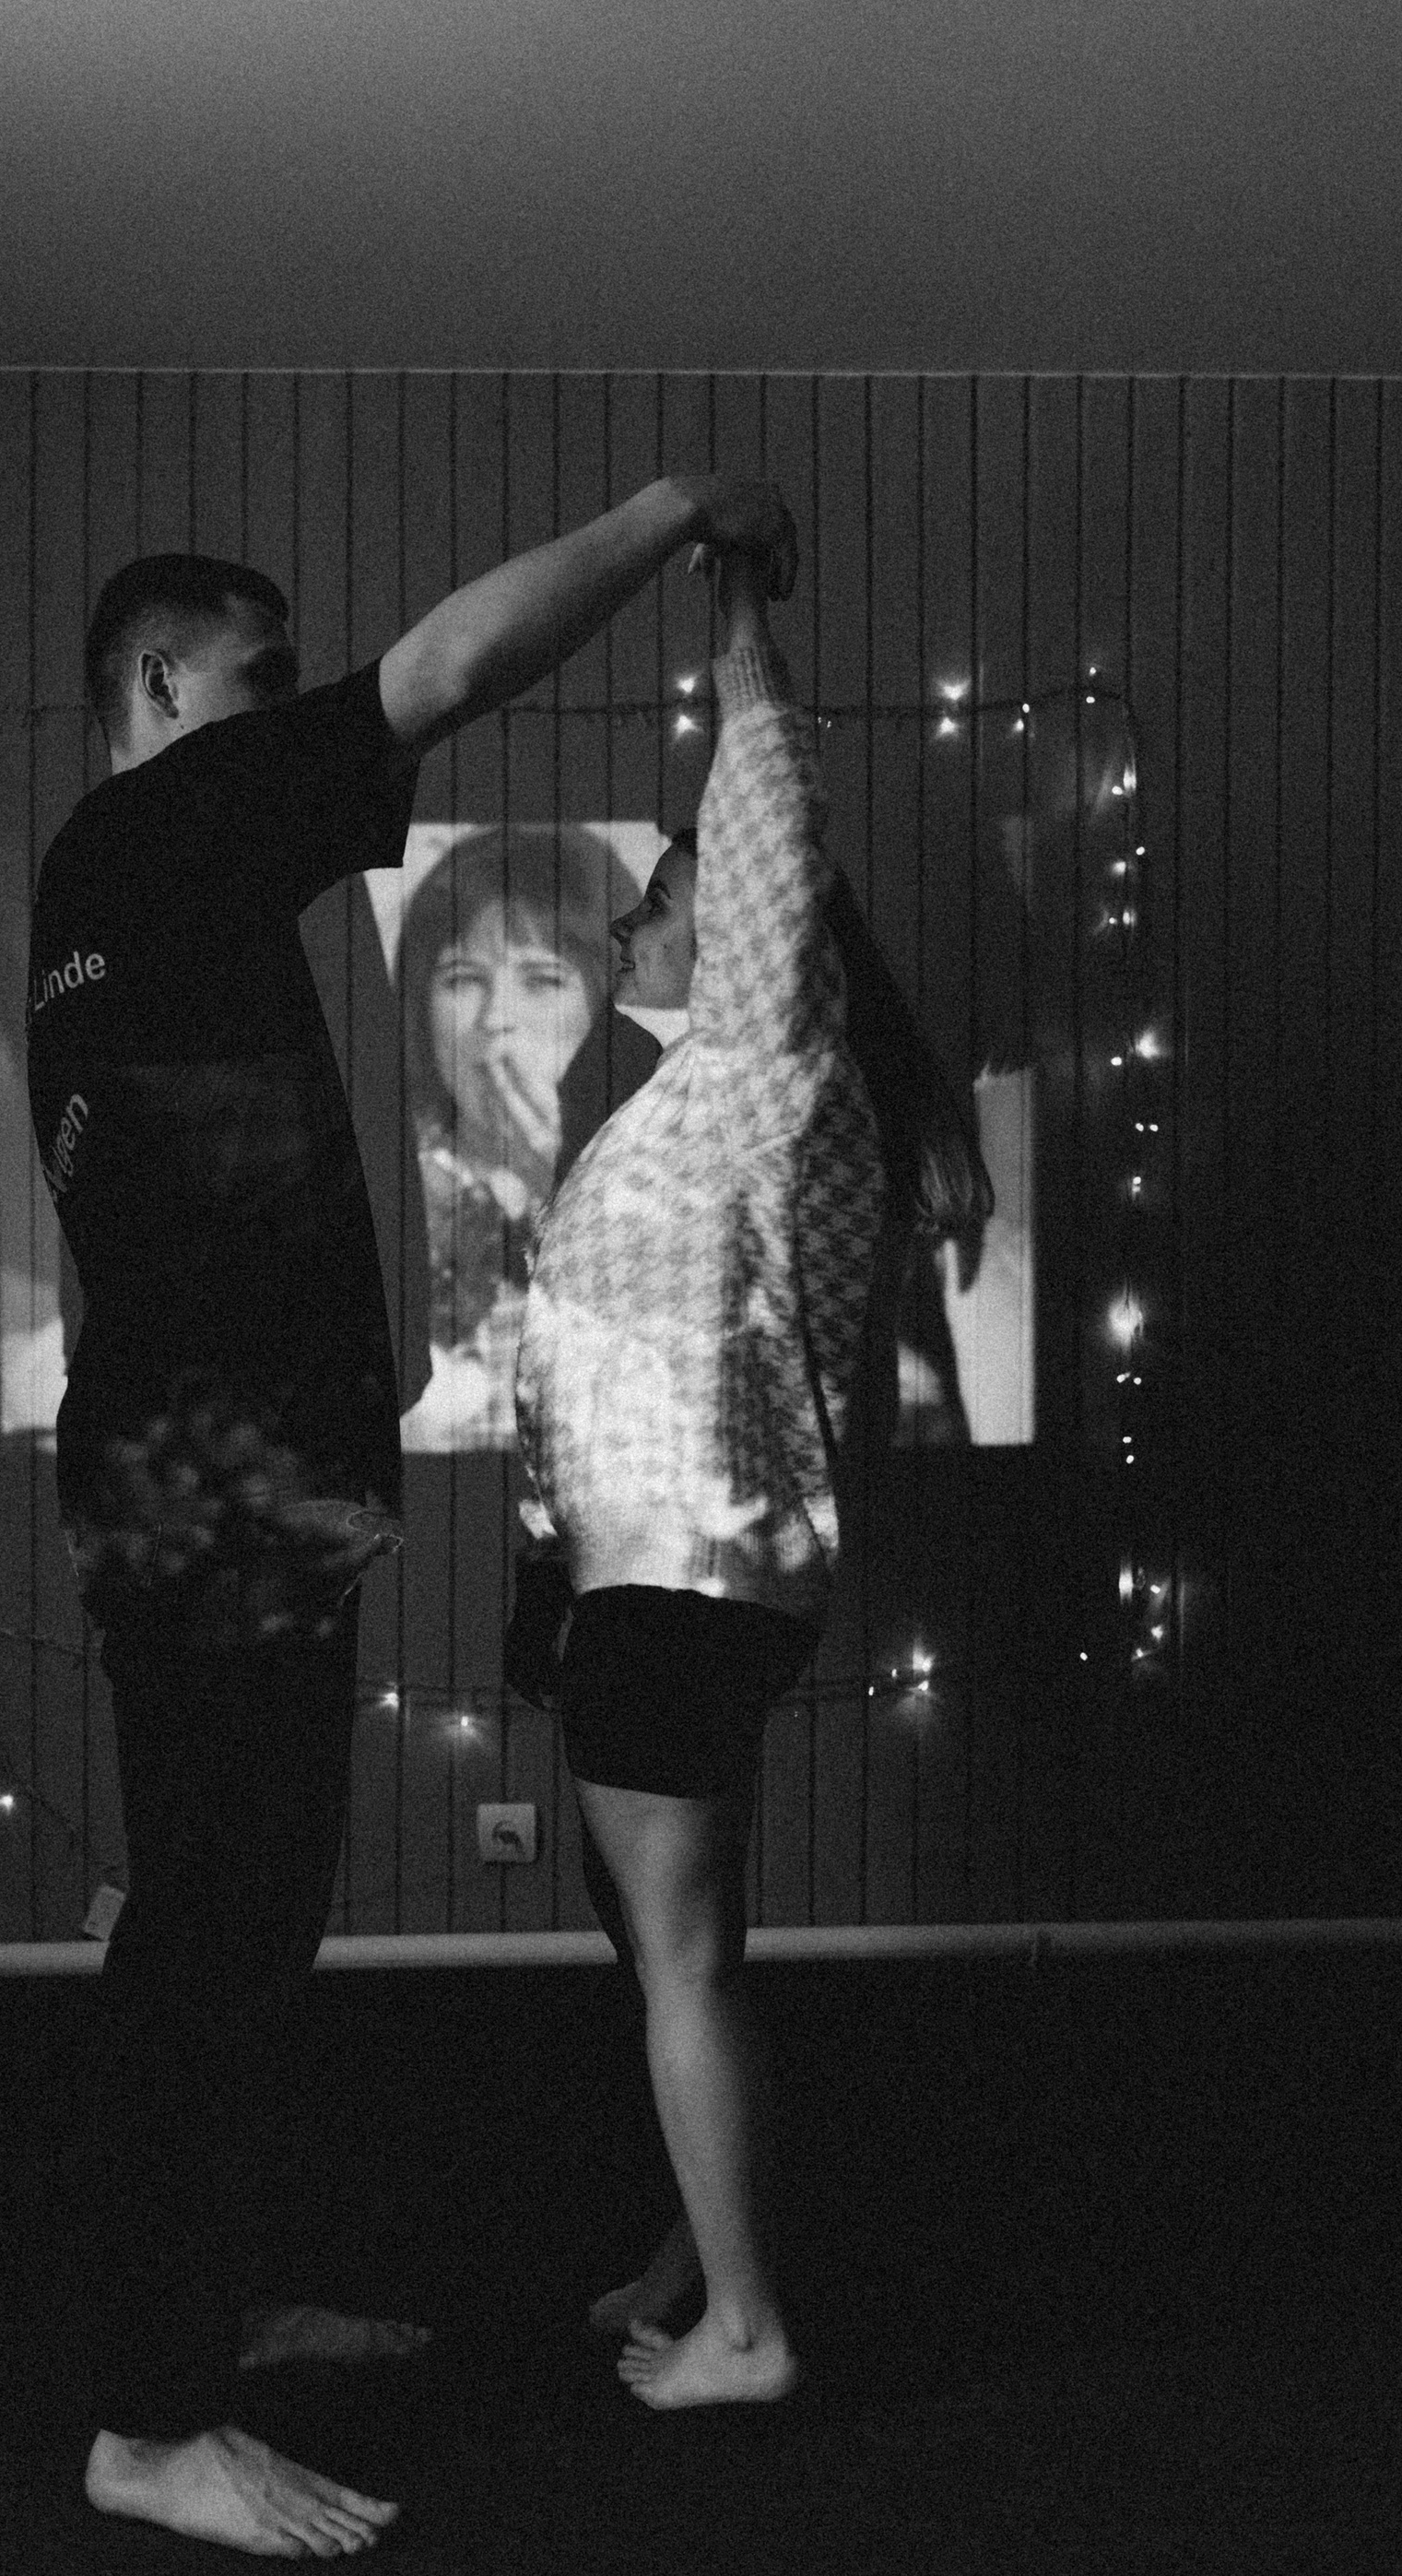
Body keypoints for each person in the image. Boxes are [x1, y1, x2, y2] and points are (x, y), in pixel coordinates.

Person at [27, 473, 798, 2554]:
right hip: (217, 1490)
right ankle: (148, 2424)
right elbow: (449, 670)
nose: (293, 709)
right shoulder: (166, 824)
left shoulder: (125, 887)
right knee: (213, 1936)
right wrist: (672, 512)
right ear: (163, 686)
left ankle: (198, 2316)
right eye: (259, 675)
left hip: (216, 1480)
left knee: (238, 1923)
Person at [513, 544, 886, 2411]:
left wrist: (741, 639)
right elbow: (579, 1367)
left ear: (732, 929)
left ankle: (747, 2328)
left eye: (660, 903)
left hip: (683, 1572)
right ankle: (699, 2244)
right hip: (651, 1574)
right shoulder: (682, 1107)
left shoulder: (760, 1057)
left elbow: (764, 832)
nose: (629, 927)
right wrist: (543, 1578)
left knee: (674, 1953)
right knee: (685, 1943)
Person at [396, 825, 637, 1450]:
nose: (495, 1019)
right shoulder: (386, 1178)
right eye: (462, 978)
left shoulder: (668, 1172)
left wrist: (561, 1190)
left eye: (542, 979)